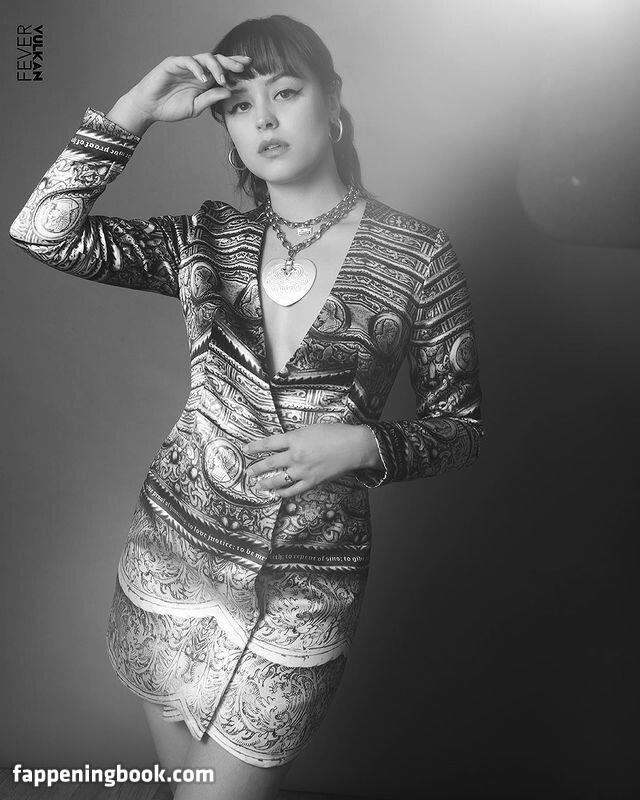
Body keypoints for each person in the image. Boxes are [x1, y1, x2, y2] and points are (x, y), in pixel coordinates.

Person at [8, 13, 484, 800]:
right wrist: (134, 109)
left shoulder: (418, 255)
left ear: (332, 102)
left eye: (285, 92)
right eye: (239, 104)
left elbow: (462, 430)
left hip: (304, 589)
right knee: (179, 787)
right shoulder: (206, 239)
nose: (263, 118)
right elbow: (42, 232)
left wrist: (363, 445)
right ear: (226, 127)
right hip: (169, 561)